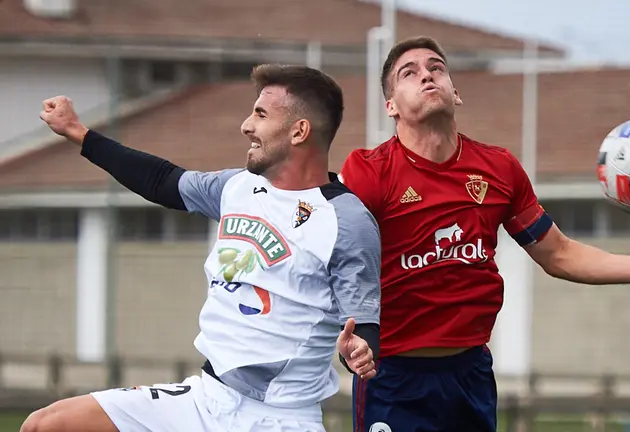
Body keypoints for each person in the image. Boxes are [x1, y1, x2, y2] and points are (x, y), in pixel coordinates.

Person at [339, 36, 630, 432]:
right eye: (409, 73)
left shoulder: (498, 168)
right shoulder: (368, 171)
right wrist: (351, 334)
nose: (427, 75)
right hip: (395, 378)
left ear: (455, 92)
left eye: (437, 68)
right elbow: (331, 256)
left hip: (470, 375)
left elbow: (559, 254)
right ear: (391, 106)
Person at [23, 64, 382, 432]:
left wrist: (359, 349)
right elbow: (162, 180)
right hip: (203, 400)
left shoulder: (346, 220)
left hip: (279, 418)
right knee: (46, 425)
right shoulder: (236, 187)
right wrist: (78, 133)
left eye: (260, 114)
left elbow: (363, 324)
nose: (246, 125)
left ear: (299, 131)